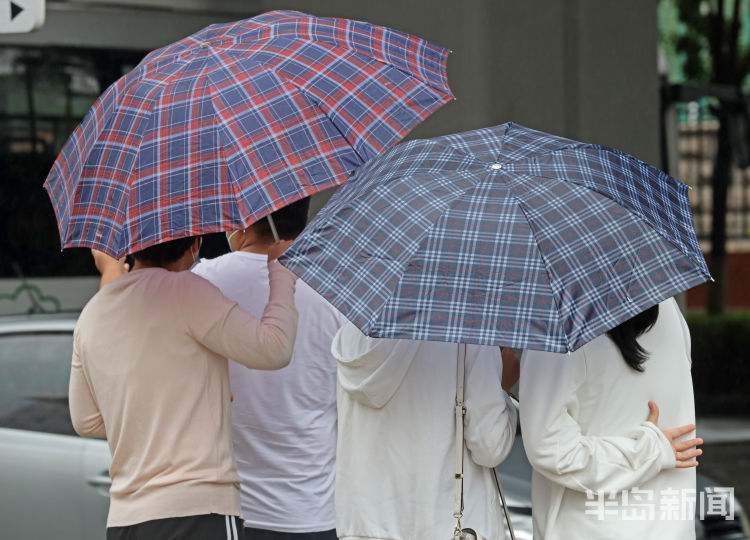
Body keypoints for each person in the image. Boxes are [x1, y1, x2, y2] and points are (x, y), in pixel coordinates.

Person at [70, 235, 298, 540]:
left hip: (126, 519)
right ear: (194, 246)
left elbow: (85, 421)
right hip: (199, 510)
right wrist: (282, 274)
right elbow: (274, 348)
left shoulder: (93, 313)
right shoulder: (189, 291)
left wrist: (161, 408)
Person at [192, 198, 348, 540]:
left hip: (229, 513)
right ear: (304, 214)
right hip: (314, 510)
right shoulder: (339, 288)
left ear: (241, 216)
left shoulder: (201, 282)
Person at [519, 297, 703, 539]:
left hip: (588, 528)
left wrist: (647, 451)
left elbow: (549, 448)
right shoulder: (666, 305)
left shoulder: (559, 318)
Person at [331, 322, 519, 540]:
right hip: (446, 526)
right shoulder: (469, 332)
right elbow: (489, 447)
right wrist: (502, 389)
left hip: (363, 525)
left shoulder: (353, 332)